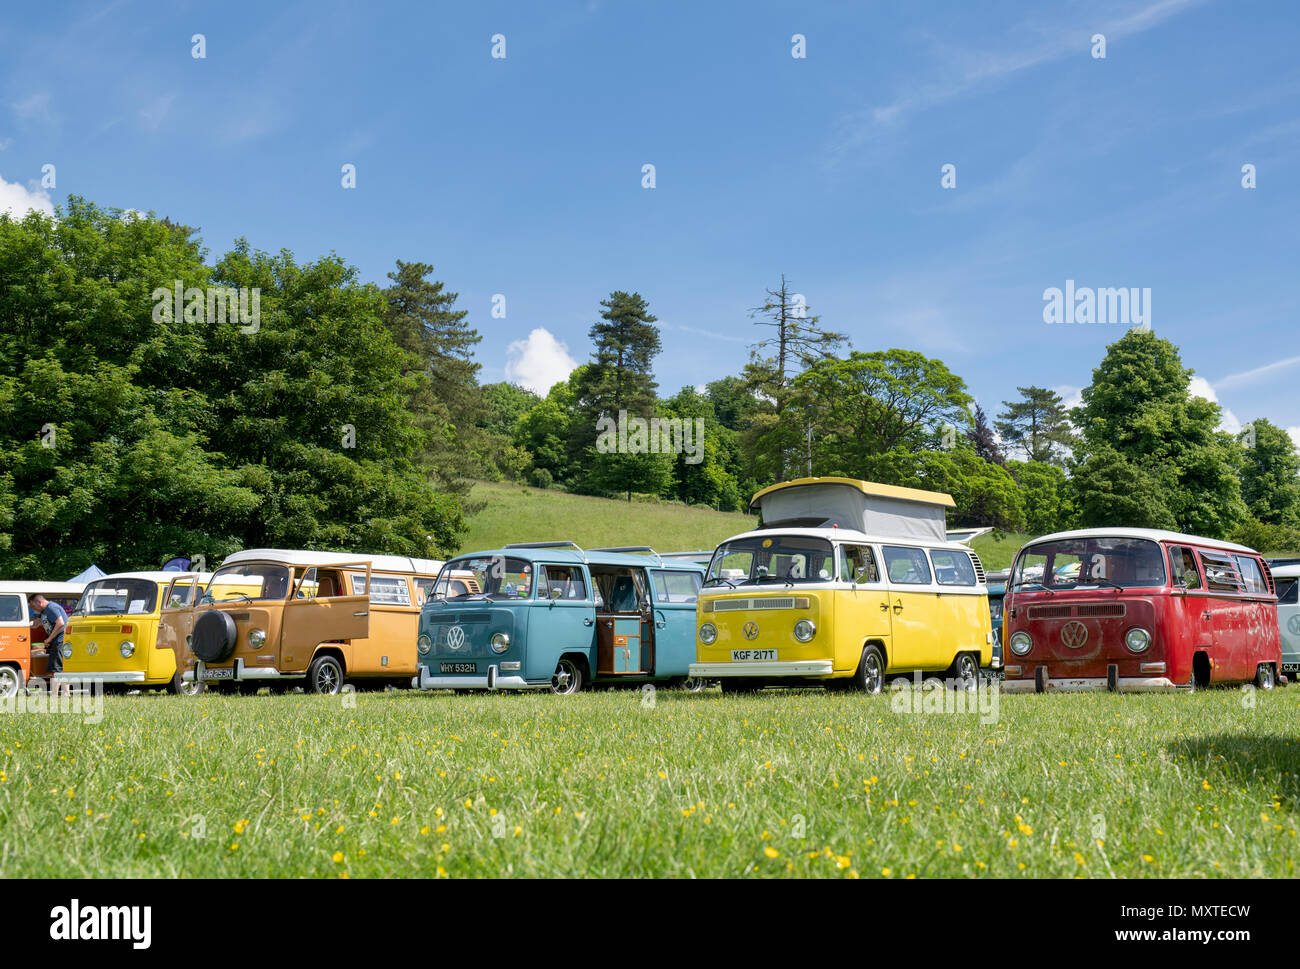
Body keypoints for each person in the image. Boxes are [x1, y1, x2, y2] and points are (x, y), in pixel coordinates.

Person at [29, 593, 68, 681]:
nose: (33, 609)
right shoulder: (43, 611)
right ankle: (66, 693)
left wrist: (49, 639)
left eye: (33, 606)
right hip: (55, 641)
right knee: (58, 669)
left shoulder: (51, 608)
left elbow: (60, 623)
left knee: (56, 669)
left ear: (39, 602)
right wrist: (22, 625)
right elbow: (36, 624)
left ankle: (55, 693)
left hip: (60, 640)